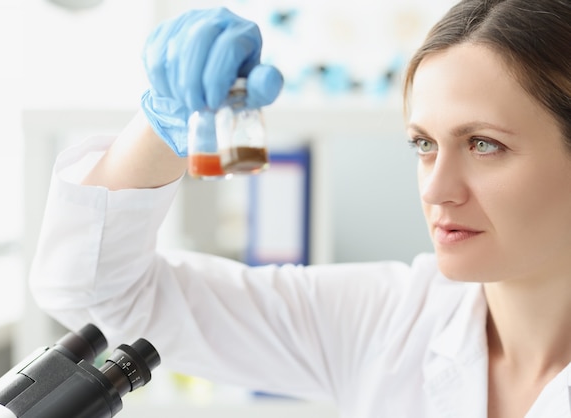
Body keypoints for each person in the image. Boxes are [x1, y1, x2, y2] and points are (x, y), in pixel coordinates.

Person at [28, 0, 571, 416]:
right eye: (424, 145)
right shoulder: (395, 321)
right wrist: (163, 124)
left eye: (483, 144)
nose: (435, 189)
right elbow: (99, 296)